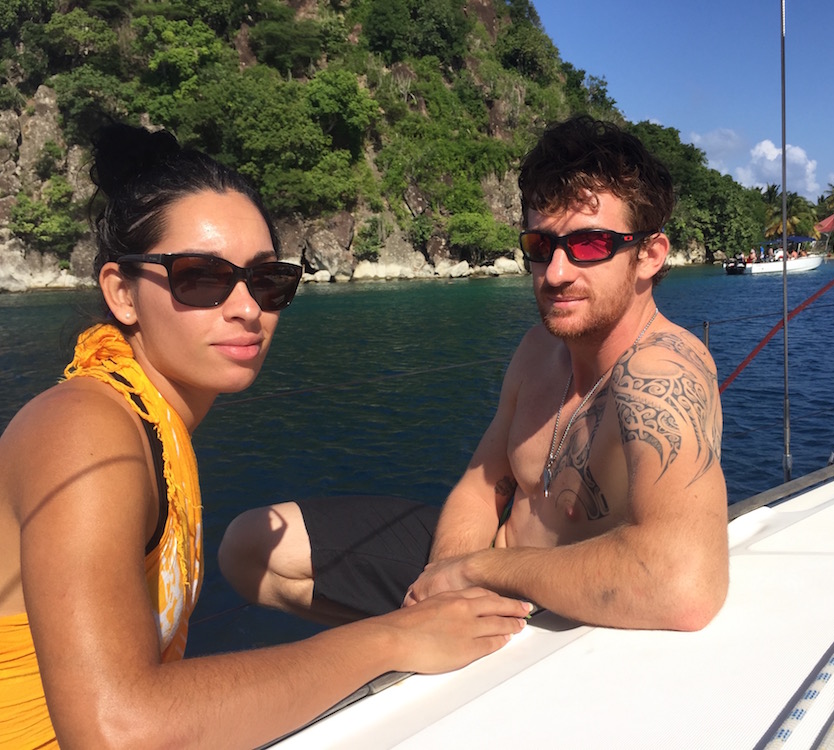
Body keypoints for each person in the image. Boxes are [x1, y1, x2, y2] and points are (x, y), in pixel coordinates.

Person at [0, 123, 528, 749]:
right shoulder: (84, 427)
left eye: (268, 279)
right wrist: (394, 636)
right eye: (200, 276)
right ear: (122, 293)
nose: (248, 307)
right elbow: (118, 730)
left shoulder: (150, 423)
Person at [220, 115, 729, 632]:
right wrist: (443, 582)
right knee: (252, 548)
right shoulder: (538, 351)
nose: (554, 273)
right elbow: (480, 487)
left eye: (590, 244)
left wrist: (477, 570)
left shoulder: (664, 371)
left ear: (649, 255)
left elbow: (684, 584)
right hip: (484, 574)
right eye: (539, 246)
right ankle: (400, 643)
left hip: (559, 608)